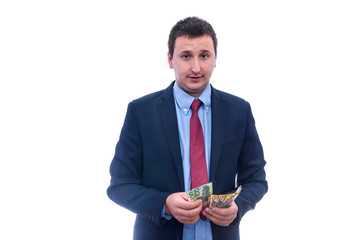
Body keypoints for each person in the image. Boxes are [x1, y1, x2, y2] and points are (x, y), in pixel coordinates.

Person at [107, 16, 268, 240]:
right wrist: (165, 203)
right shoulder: (141, 112)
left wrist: (238, 207)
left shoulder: (239, 111)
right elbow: (120, 186)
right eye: (185, 56)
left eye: (204, 56)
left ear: (215, 59)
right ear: (170, 59)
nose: (195, 67)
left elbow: (256, 179)